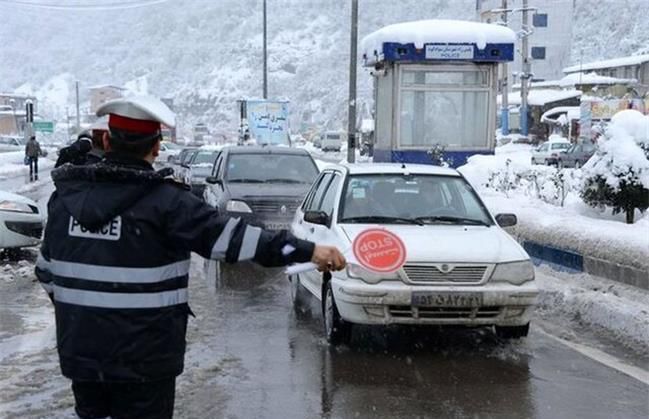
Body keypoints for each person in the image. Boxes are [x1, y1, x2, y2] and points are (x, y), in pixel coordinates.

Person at [35, 95, 346, 419]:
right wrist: (309, 250)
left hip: (83, 358)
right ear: (156, 147)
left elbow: (45, 272)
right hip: (146, 363)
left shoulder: (65, 202)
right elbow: (240, 241)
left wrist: (85, 315)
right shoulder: (169, 205)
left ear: (107, 140)